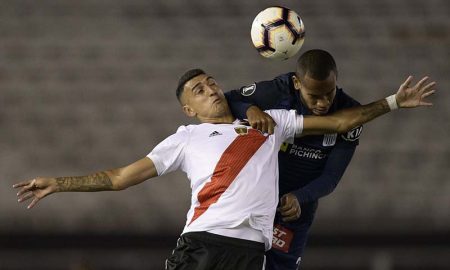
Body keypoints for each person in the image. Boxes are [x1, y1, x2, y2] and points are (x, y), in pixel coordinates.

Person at [13, 69, 434, 270]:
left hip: (252, 254)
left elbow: (342, 122)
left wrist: (393, 102)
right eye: (199, 90)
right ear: (188, 109)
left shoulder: (268, 122)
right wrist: (60, 183)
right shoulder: (184, 139)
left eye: (213, 83)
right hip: (201, 247)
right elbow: (120, 178)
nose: (211, 89)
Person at [224, 49, 431, 269]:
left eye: (329, 93)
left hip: (295, 211)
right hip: (253, 201)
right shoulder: (279, 91)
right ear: (297, 83)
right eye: (314, 96)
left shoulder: (349, 113)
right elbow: (229, 100)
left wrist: (298, 197)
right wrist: (250, 109)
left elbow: (331, 177)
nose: (323, 103)